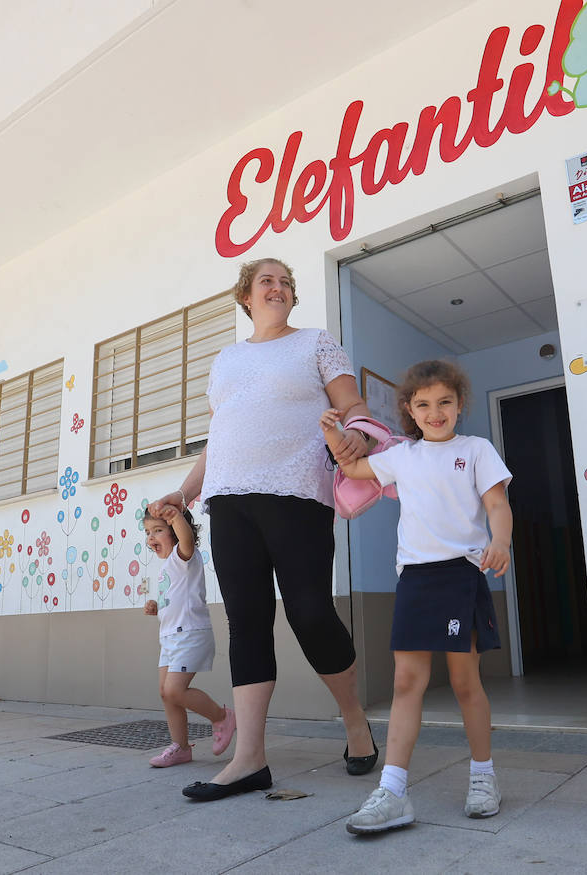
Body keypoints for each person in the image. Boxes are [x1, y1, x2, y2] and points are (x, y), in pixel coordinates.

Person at [149, 257, 378, 802]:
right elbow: (221, 433)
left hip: (297, 494)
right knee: (248, 622)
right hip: (228, 501)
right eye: (266, 280)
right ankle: (250, 759)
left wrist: (359, 439)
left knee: (310, 612)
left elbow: (353, 406)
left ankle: (354, 721)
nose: (278, 287)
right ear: (246, 296)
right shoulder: (226, 359)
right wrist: (185, 492)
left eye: (286, 282)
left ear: (292, 298)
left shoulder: (316, 344)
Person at [320, 359, 513, 834]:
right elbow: (353, 466)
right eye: (424, 404)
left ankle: (484, 778)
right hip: (415, 579)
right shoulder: (402, 456)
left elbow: (497, 503)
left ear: (459, 403)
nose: (435, 411)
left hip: (459, 575)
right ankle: (392, 792)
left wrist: (501, 540)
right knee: (407, 682)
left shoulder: (477, 449)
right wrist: (332, 433)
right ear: (409, 409)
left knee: (466, 682)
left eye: (444, 401)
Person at [141, 503, 236, 768]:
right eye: (148, 532)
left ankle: (222, 716)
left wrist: (174, 514)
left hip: (190, 634)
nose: (151, 538)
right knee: (165, 692)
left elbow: (186, 539)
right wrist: (156, 607)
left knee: (175, 689)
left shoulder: (184, 555)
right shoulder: (165, 567)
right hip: (170, 637)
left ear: (175, 531)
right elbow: (177, 598)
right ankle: (180, 748)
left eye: (158, 530)